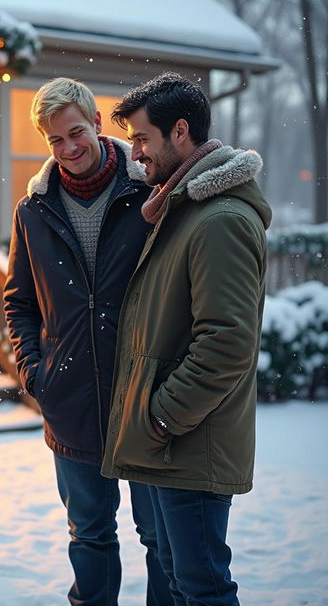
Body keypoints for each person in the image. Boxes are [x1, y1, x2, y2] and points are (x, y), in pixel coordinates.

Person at [101, 72, 272, 606]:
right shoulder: (178, 208)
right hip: (168, 442)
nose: (136, 154)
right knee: (176, 578)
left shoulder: (218, 219)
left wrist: (160, 416)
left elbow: (226, 343)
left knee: (201, 587)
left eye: (142, 139)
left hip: (189, 442)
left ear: (181, 132)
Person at [4, 77, 172, 605]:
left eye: (76, 132)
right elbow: (20, 302)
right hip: (70, 401)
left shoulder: (149, 188)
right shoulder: (33, 210)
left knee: (161, 540)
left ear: (97, 123)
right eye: (55, 141)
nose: (69, 149)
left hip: (144, 399)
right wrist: (37, 374)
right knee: (90, 537)